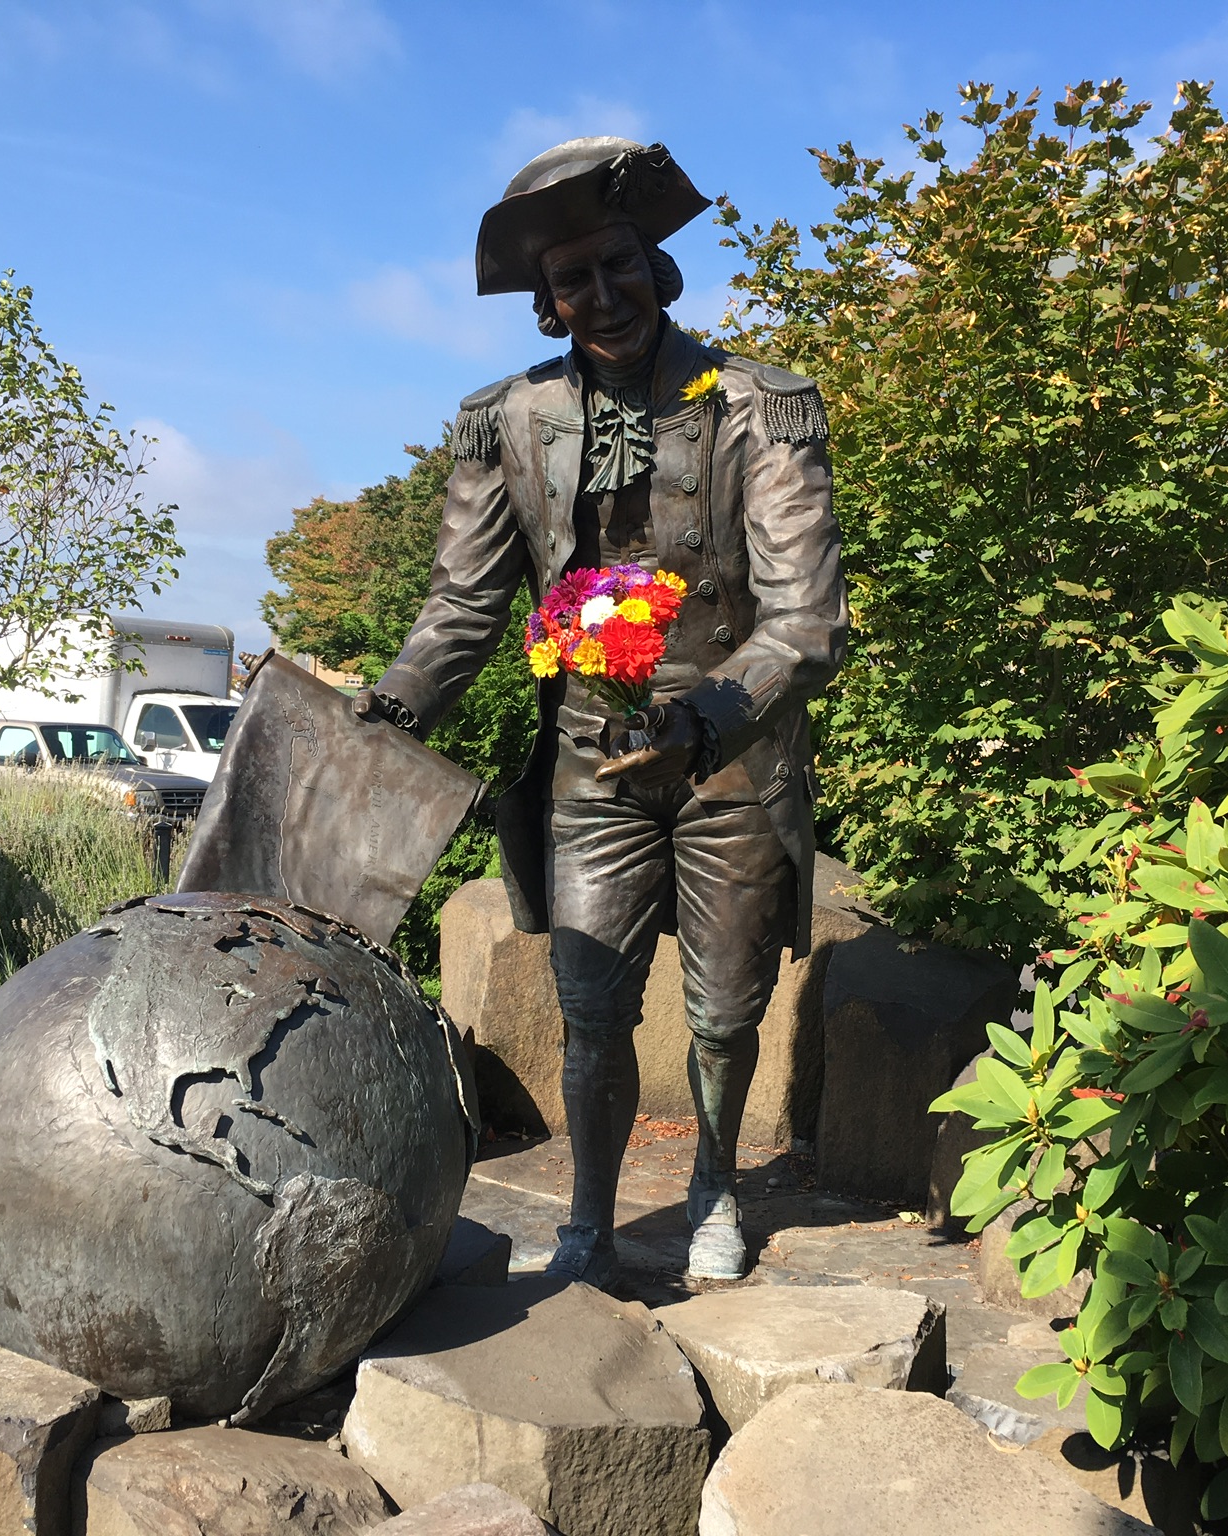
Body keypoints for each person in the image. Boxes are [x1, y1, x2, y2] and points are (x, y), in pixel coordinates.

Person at [357, 139, 848, 1284]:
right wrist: (391, 705)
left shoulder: (757, 406)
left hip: (729, 755)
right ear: (547, 301)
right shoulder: (506, 419)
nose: (602, 294)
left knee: (722, 1014)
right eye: (571, 279)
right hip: (590, 757)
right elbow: (463, 606)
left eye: (617, 263)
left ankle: (715, 1186)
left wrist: (708, 715)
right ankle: (587, 1215)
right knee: (588, 1008)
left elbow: (804, 618)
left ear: (656, 265)